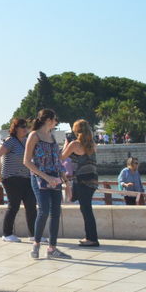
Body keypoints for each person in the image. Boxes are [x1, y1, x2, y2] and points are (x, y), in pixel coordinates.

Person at [23, 109, 70, 260]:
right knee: (43, 211)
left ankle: (52, 248)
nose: (56, 122)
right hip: (39, 178)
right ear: (48, 120)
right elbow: (26, 161)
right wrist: (45, 176)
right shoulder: (34, 135)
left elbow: (57, 161)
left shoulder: (52, 136)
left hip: (55, 178)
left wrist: (66, 181)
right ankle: (36, 244)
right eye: (55, 119)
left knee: (56, 212)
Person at [0, 118, 37, 242]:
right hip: (11, 178)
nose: (26, 129)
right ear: (16, 128)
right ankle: (7, 234)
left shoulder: (25, 141)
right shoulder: (10, 141)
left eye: (27, 127)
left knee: (31, 205)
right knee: (14, 206)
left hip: (26, 177)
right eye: (23, 127)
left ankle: (33, 234)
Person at [61, 119, 99, 247]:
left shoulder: (74, 144)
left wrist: (66, 144)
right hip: (93, 179)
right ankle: (90, 236)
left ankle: (92, 238)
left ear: (76, 131)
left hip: (82, 180)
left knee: (86, 209)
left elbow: (61, 157)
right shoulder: (93, 144)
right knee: (86, 207)